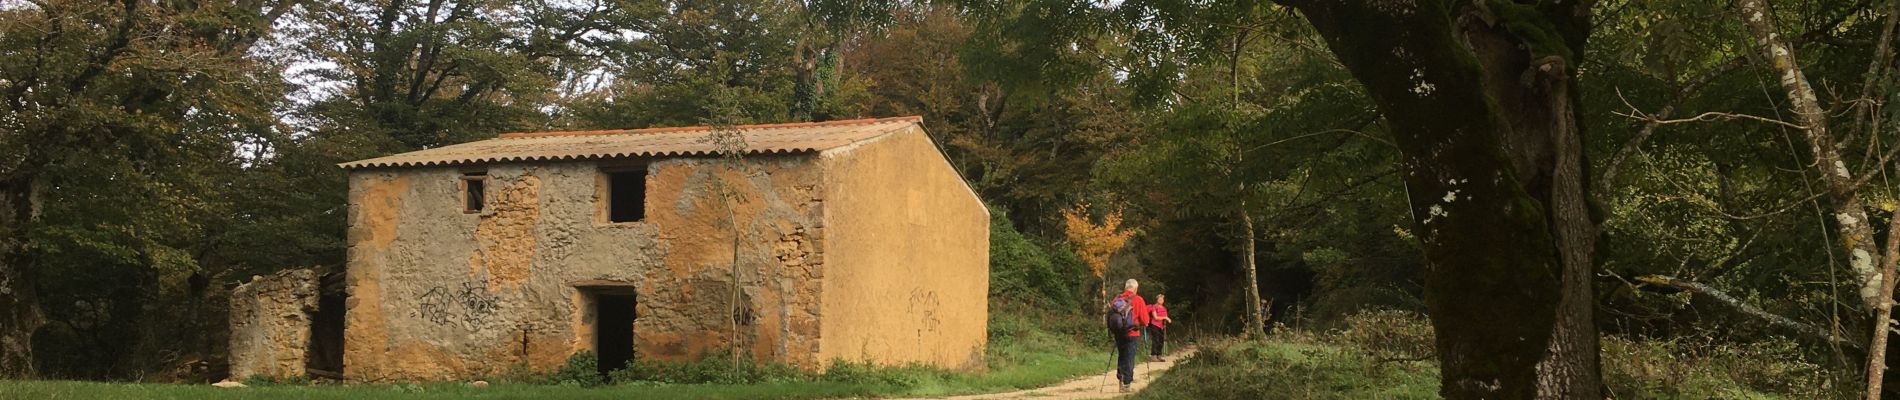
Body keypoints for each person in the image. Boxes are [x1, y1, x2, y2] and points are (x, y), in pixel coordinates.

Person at [1108, 279, 1150, 393]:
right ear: (1135, 288)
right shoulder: (1138, 299)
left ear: (1125, 287)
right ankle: (1126, 384)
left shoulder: (1116, 299)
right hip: (1132, 333)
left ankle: (1121, 381)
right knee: (1129, 357)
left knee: (1122, 356)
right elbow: (1145, 320)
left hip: (1119, 333)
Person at [1148, 294, 1173, 361]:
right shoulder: (1154, 307)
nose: (1161, 300)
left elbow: (1165, 317)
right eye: (1160, 299)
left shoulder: (1164, 308)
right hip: (1155, 325)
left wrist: (1165, 321)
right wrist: (1165, 318)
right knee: (1156, 340)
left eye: (1162, 299)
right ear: (1157, 300)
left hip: (1161, 326)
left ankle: (1159, 355)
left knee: (1161, 340)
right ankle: (1153, 355)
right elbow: (1155, 317)